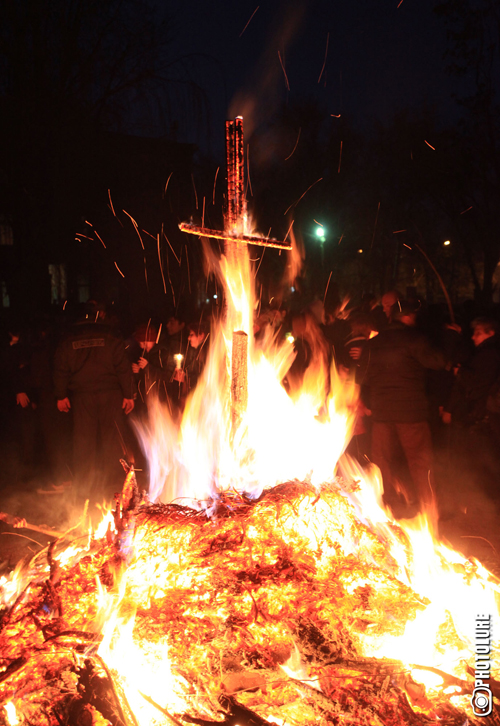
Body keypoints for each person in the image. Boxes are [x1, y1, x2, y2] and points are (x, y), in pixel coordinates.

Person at [364, 301, 447, 517]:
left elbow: (362, 375)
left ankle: (386, 504)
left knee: (381, 460)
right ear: (408, 317)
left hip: (381, 412)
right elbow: (439, 361)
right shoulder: (415, 339)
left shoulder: (374, 343)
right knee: (420, 461)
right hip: (411, 413)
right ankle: (429, 507)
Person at [53, 301, 134, 501]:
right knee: (112, 440)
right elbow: (123, 367)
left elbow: (60, 369)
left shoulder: (69, 338)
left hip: (82, 397)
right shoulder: (112, 335)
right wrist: (128, 394)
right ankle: (116, 484)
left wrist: (61, 395)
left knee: (83, 441)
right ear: (100, 315)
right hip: (111, 395)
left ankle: (84, 487)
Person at [442, 316, 500, 502]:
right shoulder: (485, 352)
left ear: (491, 333)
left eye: (478, 333)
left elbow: (477, 385)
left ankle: (489, 499)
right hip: (486, 416)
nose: (473, 337)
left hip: (486, 416)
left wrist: (461, 373)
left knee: (488, 459)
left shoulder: (489, 354)